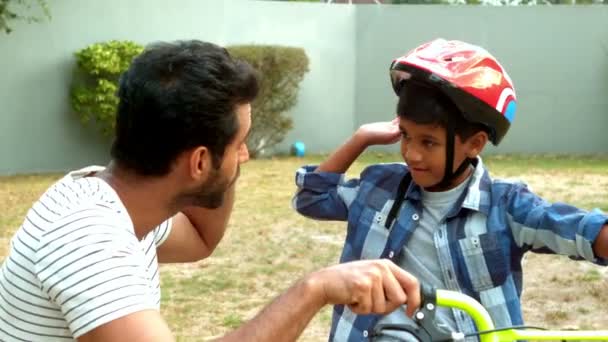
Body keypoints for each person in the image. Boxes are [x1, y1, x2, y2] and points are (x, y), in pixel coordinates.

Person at [0, 40, 422, 342]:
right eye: (240, 144)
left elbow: (202, 239)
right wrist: (314, 288)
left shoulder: (112, 199)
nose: (245, 157)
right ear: (199, 162)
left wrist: (229, 155)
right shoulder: (88, 239)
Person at [292, 38, 608, 341]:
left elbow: (579, 230)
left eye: (428, 141)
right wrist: (361, 138)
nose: (411, 153)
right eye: (405, 135)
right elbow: (312, 198)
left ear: (474, 144)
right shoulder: (380, 188)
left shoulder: (505, 206)